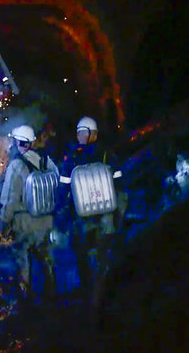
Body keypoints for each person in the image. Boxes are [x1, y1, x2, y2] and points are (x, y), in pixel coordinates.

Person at [57, 116, 126, 310]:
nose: (80, 136)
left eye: (82, 132)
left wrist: (61, 211)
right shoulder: (106, 154)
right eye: (80, 132)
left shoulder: (72, 157)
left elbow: (63, 189)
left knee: (85, 256)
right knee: (100, 258)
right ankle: (98, 295)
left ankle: (92, 296)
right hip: (103, 216)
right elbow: (119, 183)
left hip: (84, 217)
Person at [0, 125, 59, 298]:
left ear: (18, 142)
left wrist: (4, 220)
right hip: (46, 218)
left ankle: (26, 296)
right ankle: (52, 291)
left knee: (22, 257)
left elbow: (10, 197)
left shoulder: (16, 165)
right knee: (46, 255)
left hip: (24, 221)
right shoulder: (46, 160)